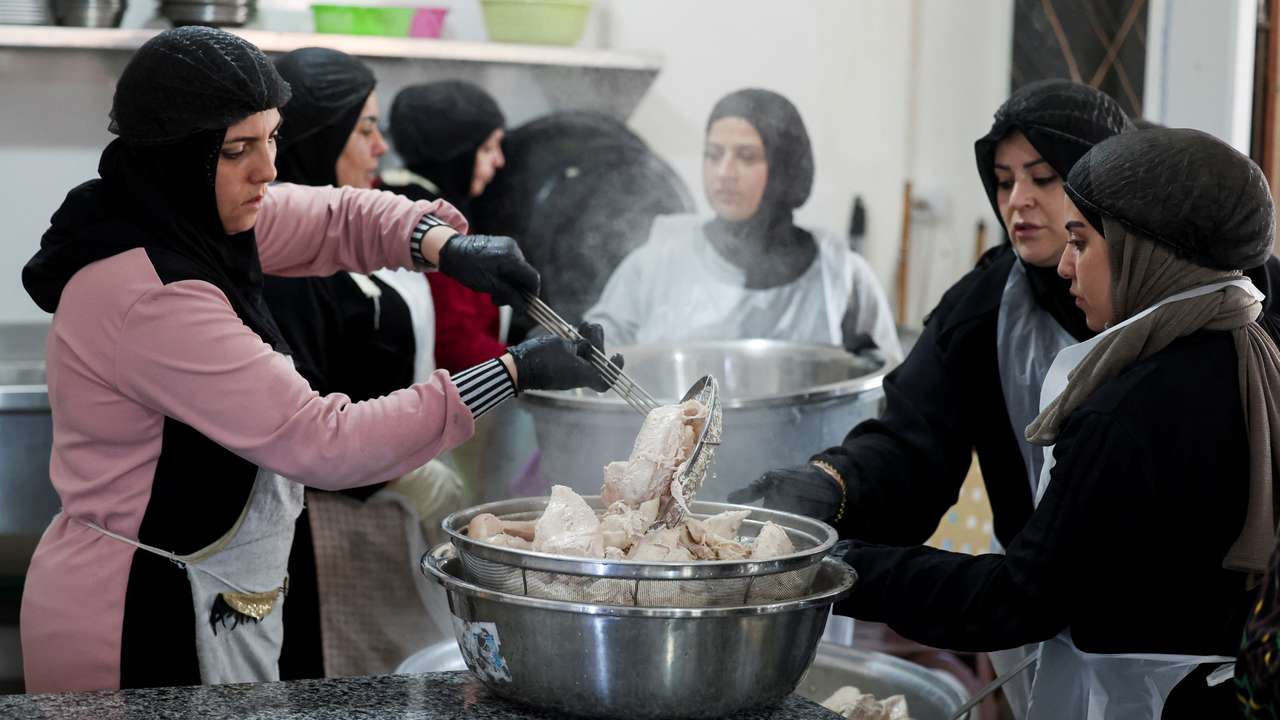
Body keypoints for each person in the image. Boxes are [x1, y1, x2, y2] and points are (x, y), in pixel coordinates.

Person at [18, 27, 618, 693]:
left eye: (272, 138)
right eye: (239, 149)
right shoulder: (153, 295)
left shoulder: (195, 218)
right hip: (134, 615)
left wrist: (443, 245)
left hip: (206, 590)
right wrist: (511, 372)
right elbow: (320, 438)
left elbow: (333, 217)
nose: (268, 169)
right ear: (177, 156)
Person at [828, 127, 1280, 718]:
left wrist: (837, 570)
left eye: (1082, 243)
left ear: (1144, 251)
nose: (1065, 268)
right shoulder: (1247, 347)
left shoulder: (1126, 414)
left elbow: (1019, 598)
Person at [260, 47, 462, 680]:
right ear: (321, 136)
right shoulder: (282, 273)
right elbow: (304, 424)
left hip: (384, 509)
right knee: (347, 682)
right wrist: (413, 475)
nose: (380, 149)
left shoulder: (371, 223)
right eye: (366, 130)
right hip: (325, 529)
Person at [583, 88, 901, 363]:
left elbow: (887, 386)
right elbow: (595, 356)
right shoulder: (657, 263)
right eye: (713, 154)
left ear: (784, 168)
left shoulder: (841, 276)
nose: (724, 172)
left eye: (746, 157)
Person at [382, 81, 509, 373]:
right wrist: (522, 367)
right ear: (456, 153)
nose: (499, 160)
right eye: (488, 147)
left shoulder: (395, 197)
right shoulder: (432, 224)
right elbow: (454, 344)